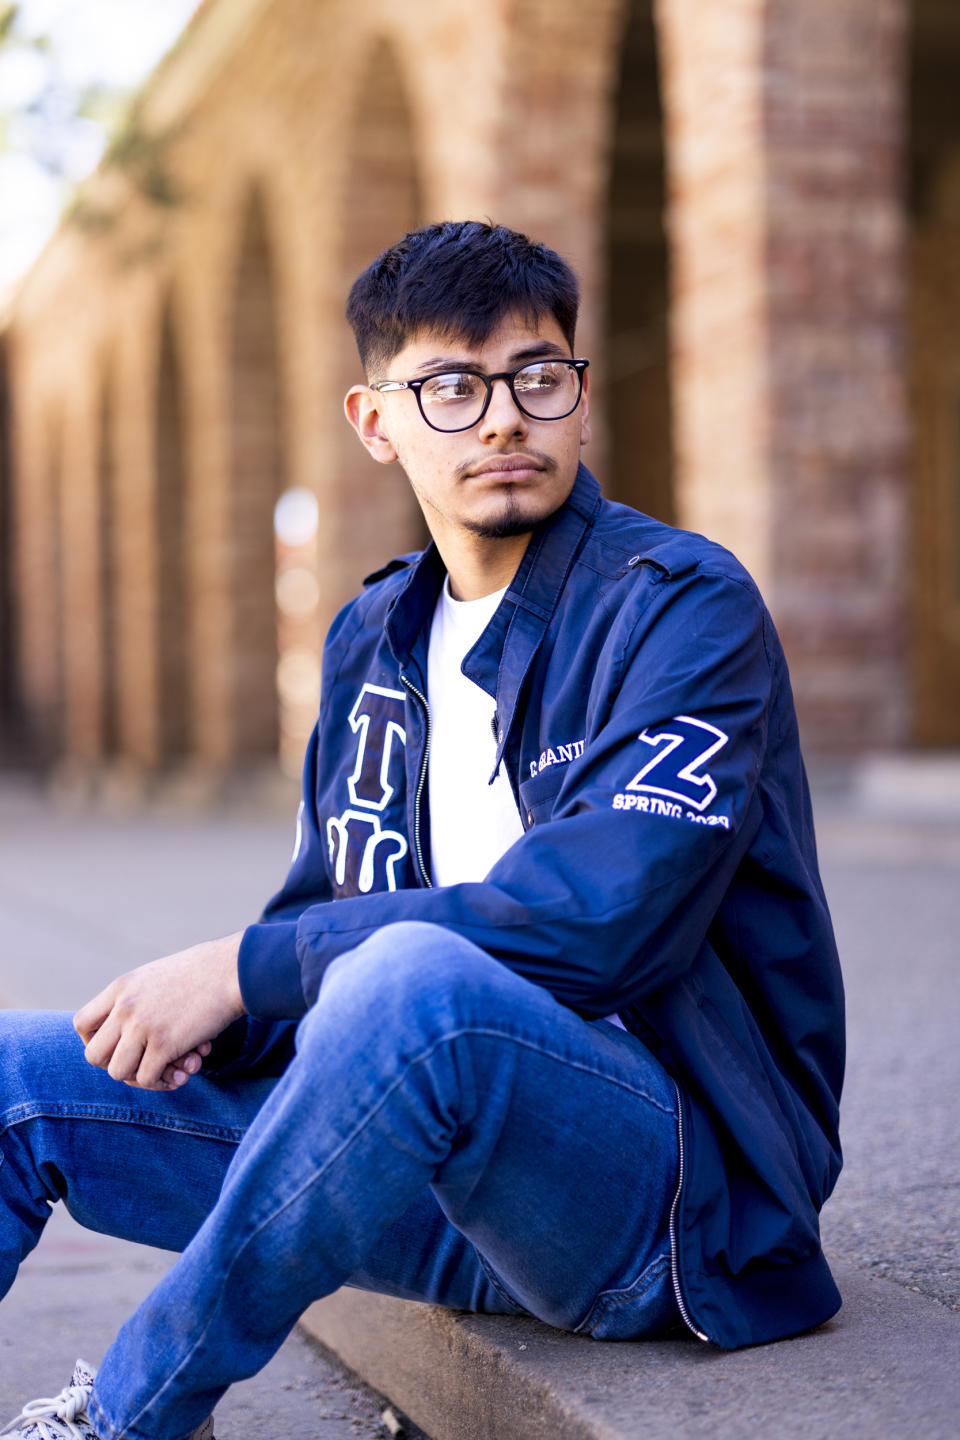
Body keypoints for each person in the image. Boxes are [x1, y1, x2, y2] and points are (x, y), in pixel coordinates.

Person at [0, 221, 844, 1440]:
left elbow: (601, 923)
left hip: (672, 1204)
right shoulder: (374, 638)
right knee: (20, 1083)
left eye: (537, 378)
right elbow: (322, 916)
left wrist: (236, 968)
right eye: (451, 385)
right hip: (440, 1176)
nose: (503, 419)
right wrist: (221, 1025)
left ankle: (126, 1416)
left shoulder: (681, 608)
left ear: (580, 403)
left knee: (408, 981)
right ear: (376, 421)